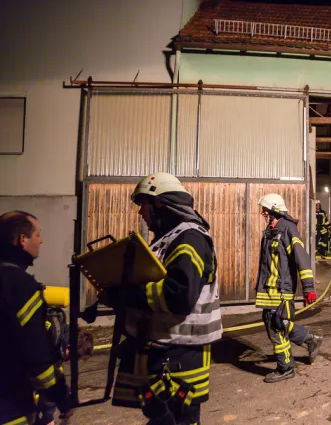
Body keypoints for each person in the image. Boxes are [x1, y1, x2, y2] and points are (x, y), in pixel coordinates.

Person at [101, 172, 222, 425]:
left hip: (179, 356)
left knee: (178, 419)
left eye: (143, 205)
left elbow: (178, 296)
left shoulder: (189, 238)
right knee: (162, 416)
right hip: (166, 350)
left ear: (160, 204)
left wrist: (127, 296)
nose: (140, 213)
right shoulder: (169, 239)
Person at [0, 211, 74, 425]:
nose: (41, 240)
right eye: (38, 234)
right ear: (23, 240)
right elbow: (36, 353)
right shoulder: (19, 285)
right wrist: (61, 396)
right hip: (10, 405)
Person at [255, 193, 323, 383]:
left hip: (281, 289)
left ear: (275, 210)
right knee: (276, 323)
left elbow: (301, 257)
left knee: (276, 327)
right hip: (268, 289)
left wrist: (308, 287)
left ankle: (285, 367)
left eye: (266, 210)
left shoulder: (288, 229)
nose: (264, 214)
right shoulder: (270, 230)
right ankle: (310, 339)